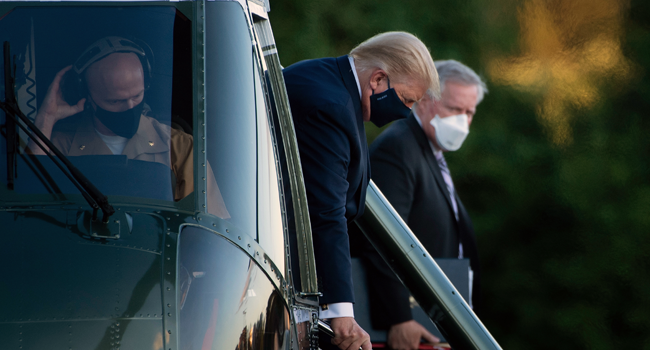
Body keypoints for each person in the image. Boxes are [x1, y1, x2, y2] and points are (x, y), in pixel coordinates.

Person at [282, 31, 439, 350]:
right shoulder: (331, 106)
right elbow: (326, 212)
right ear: (378, 80)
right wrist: (340, 312)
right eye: (407, 99)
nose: (407, 112)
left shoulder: (330, 86)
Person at [27, 36, 228, 218]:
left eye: (137, 96)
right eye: (115, 102)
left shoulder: (180, 148)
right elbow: (30, 212)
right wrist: (46, 118)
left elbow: (208, 231)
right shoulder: (58, 146)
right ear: (88, 98)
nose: (131, 107)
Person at [364, 60, 487, 350]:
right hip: (410, 326)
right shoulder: (399, 148)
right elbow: (381, 237)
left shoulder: (429, 152)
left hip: (438, 322)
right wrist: (398, 318)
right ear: (426, 99)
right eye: (455, 109)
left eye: (469, 112)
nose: (463, 121)